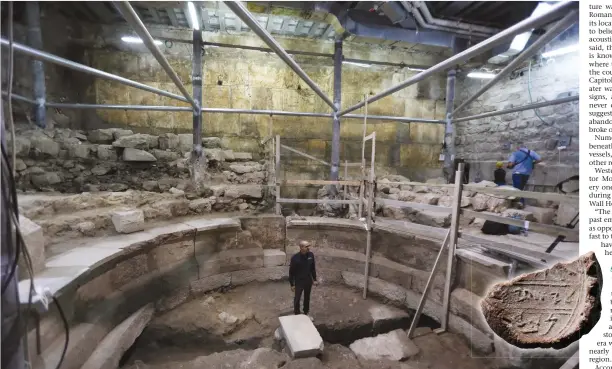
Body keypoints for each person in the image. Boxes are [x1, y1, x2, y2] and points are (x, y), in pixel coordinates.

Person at [289, 240, 318, 320]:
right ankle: (297, 314)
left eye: (309, 246)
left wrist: (314, 279)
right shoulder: (295, 258)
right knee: (297, 298)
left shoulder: (311, 255)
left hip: (308, 281)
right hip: (299, 281)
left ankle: (306, 313)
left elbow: (313, 268)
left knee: (307, 297)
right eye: (306, 246)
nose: (309, 248)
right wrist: (292, 284)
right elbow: (291, 272)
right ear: (301, 247)